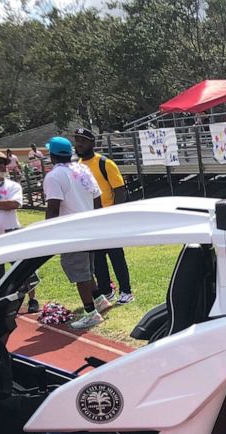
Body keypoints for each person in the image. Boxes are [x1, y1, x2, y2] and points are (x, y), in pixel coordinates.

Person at [42, 136, 109, 330]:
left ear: (52, 155)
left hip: (71, 231)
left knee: (79, 272)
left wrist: (48, 232)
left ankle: (91, 313)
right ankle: (100, 299)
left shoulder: (54, 176)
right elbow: (97, 199)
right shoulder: (83, 168)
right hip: (89, 228)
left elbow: (53, 207)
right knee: (87, 268)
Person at [74, 127, 134, 305]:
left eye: (83, 140)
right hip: (90, 220)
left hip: (108, 217)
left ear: (92, 143)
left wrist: (113, 214)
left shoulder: (104, 163)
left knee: (116, 255)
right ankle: (106, 291)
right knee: (97, 259)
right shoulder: (77, 165)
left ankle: (126, 291)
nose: (79, 144)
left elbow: (120, 191)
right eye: (77, 140)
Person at [0, 154, 38, 313]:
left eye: (3, 163)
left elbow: (14, 204)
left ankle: (32, 299)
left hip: (12, 233)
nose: (2, 166)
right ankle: (0, 303)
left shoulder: (13, 186)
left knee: (23, 269)